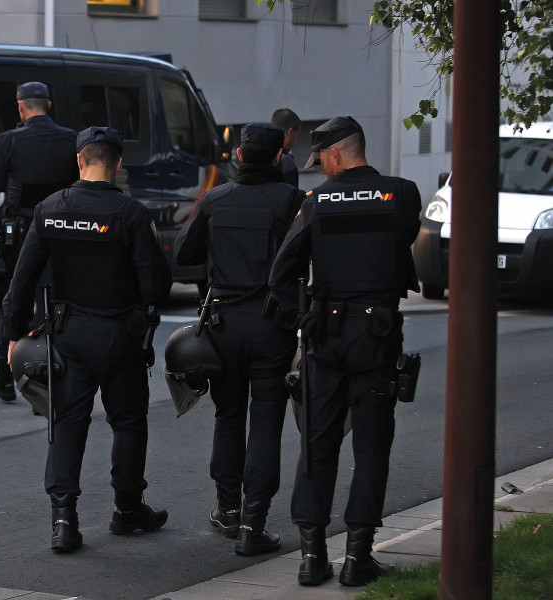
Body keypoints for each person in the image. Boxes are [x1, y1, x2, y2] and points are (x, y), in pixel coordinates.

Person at [2, 127, 172, 553]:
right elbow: (156, 285)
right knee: (129, 423)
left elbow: (19, 284)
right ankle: (128, 509)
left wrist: (11, 337)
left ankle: (63, 520)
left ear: (79, 160)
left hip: (68, 335)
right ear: (116, 164)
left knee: (66, 423)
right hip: (120, 335)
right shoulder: (131, 214)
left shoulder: (50, 209)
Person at [268, 116, 421, 587]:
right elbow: (404, 241)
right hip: (377, 336)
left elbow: (283, 270)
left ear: (335, 155)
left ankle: (312, 557)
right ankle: (359, 558)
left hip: (326, 336)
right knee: (372, 445)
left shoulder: (316, 202)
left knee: (318, 443)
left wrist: (302, 311)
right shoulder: (401, 193)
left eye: (323, 161)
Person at [174, 123, 303, 555]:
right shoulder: (291, 201)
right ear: (276, 158)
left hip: (223, 325)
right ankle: (254, 523)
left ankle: (227, 509)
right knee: (267, 421)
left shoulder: (215, 199)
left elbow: (185, 254)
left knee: (228, 416)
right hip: (272, 326)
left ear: (240, 156)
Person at [0, 82, 78, 403]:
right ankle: (47, 372)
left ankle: (6, 374)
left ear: (21, 108)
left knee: (14, 295)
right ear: (48, 105)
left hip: (22, 228)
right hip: (61, 227)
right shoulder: (69, 139)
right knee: (52, 300)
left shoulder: (10, 140)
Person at [271, 108, 301, 187]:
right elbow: (292, 197)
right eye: (296, 135)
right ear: (290, 132)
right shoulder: (286, 162)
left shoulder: (256, 157)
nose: (295, 142)